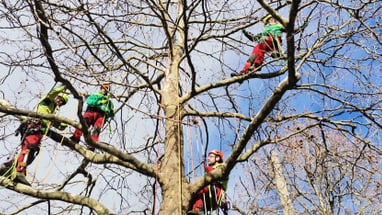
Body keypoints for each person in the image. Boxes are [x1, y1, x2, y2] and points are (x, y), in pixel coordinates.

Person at [0, 84, 68, 185]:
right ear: (57, 97)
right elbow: (52, 93)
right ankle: (19, 171)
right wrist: (64, 85)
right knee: (29, 148)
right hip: (34, 126)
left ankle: (8, 166)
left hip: (39, 130)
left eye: (62, 103)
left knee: (32, 153)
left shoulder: (51, 113)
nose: (59, 103)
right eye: (60, 99)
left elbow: (59, 125)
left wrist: (64, 123)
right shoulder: (47, 101)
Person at [70, 83, 114, 150]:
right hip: (91, 112)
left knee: (97, 129)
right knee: (83, 124)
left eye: (107, 89)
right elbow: (89, 102)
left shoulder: (109, 102)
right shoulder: (95, 95)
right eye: (104, 88)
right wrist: (100, 102)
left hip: (101, 115)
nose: (105, 90)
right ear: (101, 88)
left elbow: (112, 113)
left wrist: (109, 112)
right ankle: (75, 138)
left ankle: (92, 144)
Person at [188, 150, 229, 215]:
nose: (208, 159)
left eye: (211, 157)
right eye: (208, 157)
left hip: (216, 193)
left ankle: (199, 209)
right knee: (194, 197)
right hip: (208, 198)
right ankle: (196, 209)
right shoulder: (210, 169)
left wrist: (208, 169)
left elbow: (216, 175)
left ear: (217, 158)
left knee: (199, 189)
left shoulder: (222, 168)